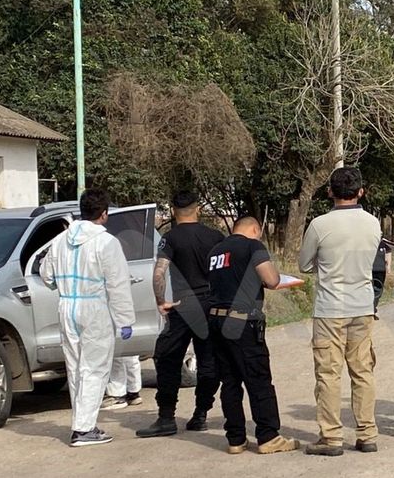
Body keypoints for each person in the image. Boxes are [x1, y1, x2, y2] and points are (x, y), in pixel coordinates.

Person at [39, 188, 135, 448]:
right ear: (104, 214)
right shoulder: (107, 243)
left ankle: (80, 422)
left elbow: (45, 274)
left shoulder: (60, 240)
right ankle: (84, 428)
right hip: (93, 309)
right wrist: (125, 320)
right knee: (94, 368)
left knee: (75, 368)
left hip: (67, 306)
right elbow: (118, 284)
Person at [297, 167, 382, 457]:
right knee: (363, 372)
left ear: (330, 192)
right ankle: (367, 433)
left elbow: (305, 265)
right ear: (361, 191)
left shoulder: (320, 225)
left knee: (328, 374)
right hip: (362, 306)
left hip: (330, 308)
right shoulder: (373, 223)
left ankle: (331, 437)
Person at [136, 191, 225, 438]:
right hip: (210, 304)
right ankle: (201, 414)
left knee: (167, 358)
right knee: (209, 362)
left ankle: (166, 417)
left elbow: (158, 273)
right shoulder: (215, 237)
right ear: (197, 209)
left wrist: (160, 301)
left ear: (174, 211)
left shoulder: (170, 238)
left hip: (183, 304)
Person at [207, 217, 297, 455]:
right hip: (242, 320)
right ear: (255, 230)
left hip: (216, 319)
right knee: (258, 379)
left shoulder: (216, 251)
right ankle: (268, 436)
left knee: (230, 382)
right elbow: (271, 279)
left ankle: (235, 438)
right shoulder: (252, 246)